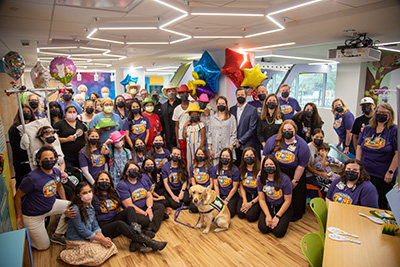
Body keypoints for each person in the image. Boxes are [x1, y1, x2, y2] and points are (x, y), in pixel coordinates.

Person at [93, 171, 167, 252]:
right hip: (103, 226)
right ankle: (149, 242)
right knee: (120, 224)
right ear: (97, 182)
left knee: (130, 210)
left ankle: (136, 241)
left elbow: (119, 208)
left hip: (114, 218)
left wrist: (127, 216)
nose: (104, 182)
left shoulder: (112, 193)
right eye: (102, 179)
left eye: (107, 180)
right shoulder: (93, 197)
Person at [14, 146, 69, 250]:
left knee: (73, 206)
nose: (49, 161)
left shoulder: (56, 172)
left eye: (51, 159)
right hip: (33, 216)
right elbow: (17, 197)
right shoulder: (31, 178)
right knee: (43, 246)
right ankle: (27, 237)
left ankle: (57, 234)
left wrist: (65, 203)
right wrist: (19, 218)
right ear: (39, 160)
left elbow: (60, 187)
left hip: (50, 205)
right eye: (45, 159)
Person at [60, 182, 118, 266]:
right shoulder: (75, 209)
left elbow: (95, 225)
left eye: (90, 192)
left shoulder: (90, 205)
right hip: (77, 240)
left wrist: (103, 239)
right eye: (84, 193)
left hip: (88, 238)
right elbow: (82, 230)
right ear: (78, 195)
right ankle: (67, 254)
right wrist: (101, 240)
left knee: (112, 246)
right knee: (98, 258)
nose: (88, 195)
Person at [262, 120, 310, 221]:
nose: (287, 132)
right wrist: (261, 171)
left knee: (294, 196)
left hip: (294, 172)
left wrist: (295, 180)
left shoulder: (302, 145)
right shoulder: (274, 140)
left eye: (290, 130)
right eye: (284, 130)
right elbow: (264, 155)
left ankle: (292, 215)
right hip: (276, 171)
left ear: (295, 130)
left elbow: (301, 166)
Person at [356, 103, 398, 209]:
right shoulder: (368, 129)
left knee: (380, 200)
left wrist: (391, 172)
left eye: (383, 113)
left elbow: (398, 153)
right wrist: (358, 164)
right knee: (364, 198)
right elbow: (359, 146)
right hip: (366, 171)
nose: (380, 115)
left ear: (390, 115)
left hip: (383, 174)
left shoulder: (394, 130)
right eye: (378, 112)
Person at [117, 162, 165, 235]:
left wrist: (149, 208)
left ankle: (150, 229)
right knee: (145, 219)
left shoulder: (142, 180)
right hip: (133, 212)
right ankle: (148, 226)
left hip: (145, 206)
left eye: (135, 169)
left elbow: (149, 196)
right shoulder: (122, 185)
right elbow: (129, 205)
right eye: (131, 169)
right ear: (126, 172)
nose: (133, 171)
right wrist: (144, 213)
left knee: (160, 207)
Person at [258, 155, 293, 238]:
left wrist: (277, 217)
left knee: (278, 232)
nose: (269, 167)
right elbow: (262, 199)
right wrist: (268, 215)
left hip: (283, 207)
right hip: (269, 205)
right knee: (263, 228)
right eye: (266, 165)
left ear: (276, 166)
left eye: (271, 164)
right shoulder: (261, 179)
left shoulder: (285, 179)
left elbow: (288, 201)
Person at [230, 87, 259, 166]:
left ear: (246, 96)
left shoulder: (252, 110)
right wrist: (234, 141)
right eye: (238, 95)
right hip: (234, 145)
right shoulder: (232, 109)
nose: (240, 97)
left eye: (242, 95)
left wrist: (240, 141)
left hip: (246, 145)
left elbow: (252, 128)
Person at [9, 104, 36, 189]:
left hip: (34, 159)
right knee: (22, 184)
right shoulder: (14, 129)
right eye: (24, 112)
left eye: (28, 112)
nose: (27, 114)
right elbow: (16, 147)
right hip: (21, 162)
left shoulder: (34, 126)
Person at [207, 96, 237, 165]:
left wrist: (230, 148)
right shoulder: (212, 118)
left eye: (223, 103)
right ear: (217, 105)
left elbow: (234, 134)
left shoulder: (231, 118)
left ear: (226, 105)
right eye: (219, 103)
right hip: (215, 150)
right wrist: (210, 148)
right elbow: (209, 134)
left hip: (227, 150)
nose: (221, 105)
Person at [212, 148, 240, 218]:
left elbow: (235, 187)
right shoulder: (215, 168)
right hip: (219, 194)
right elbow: (216, 185)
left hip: (231, 195)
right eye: (223, 156)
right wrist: (218, 198)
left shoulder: (235, 170)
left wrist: (227, 200)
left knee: (230, 213)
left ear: (231, 158)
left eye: (227, 156)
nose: (225, 158)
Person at [237, 147, 261, 222]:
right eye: (247, 155)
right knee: (240, 214)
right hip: (247, 194)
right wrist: (244, 201)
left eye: (251, 155)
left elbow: (263, 191)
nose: (249, 157)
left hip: (258, 196)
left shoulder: (260, 170)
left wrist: (251, 203)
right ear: (243, 157)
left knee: (250, 217)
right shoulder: (241, 169)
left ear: (255, 156)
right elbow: (241, 186)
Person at [305, 128, 330, 198]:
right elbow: (308, 166)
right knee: (321, 188)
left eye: (321, 137)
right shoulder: (308, 148)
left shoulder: (323, 147)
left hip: (321, 172)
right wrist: (320, 173)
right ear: (312, 137)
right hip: (310, 175)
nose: (319, 139)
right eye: (317, 137)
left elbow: (327, 161)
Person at [188, 147, 213, 213]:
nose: (200, 156)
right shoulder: (192, 167)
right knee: (193, 208)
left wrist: (204, 194)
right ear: (196, 155)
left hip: (206, 191)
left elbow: (212, 183)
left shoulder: (210, 167)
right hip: (196, 192)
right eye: (198, 154)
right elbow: (193, 183)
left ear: (205, 155)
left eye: (202, 154)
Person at [172, 84, 191, 161]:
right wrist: (177, 140)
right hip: (181, 136)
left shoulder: (193, 105)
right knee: (183, 157)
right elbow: (176, 126)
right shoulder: (177, 109)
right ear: (179, 95)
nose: (183, 95)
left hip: (191, 135)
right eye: (181, 93)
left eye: (185, 93)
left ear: (188, 94)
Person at [160, 83, 181, 151]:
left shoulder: (181, 103)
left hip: (180, 134)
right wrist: (163, 134)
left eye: (173, 91)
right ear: (166, 94)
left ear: (176, 92)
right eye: (169, 91)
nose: (171, 93)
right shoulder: (163, 106)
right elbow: (162, 121)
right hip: (169, 135)